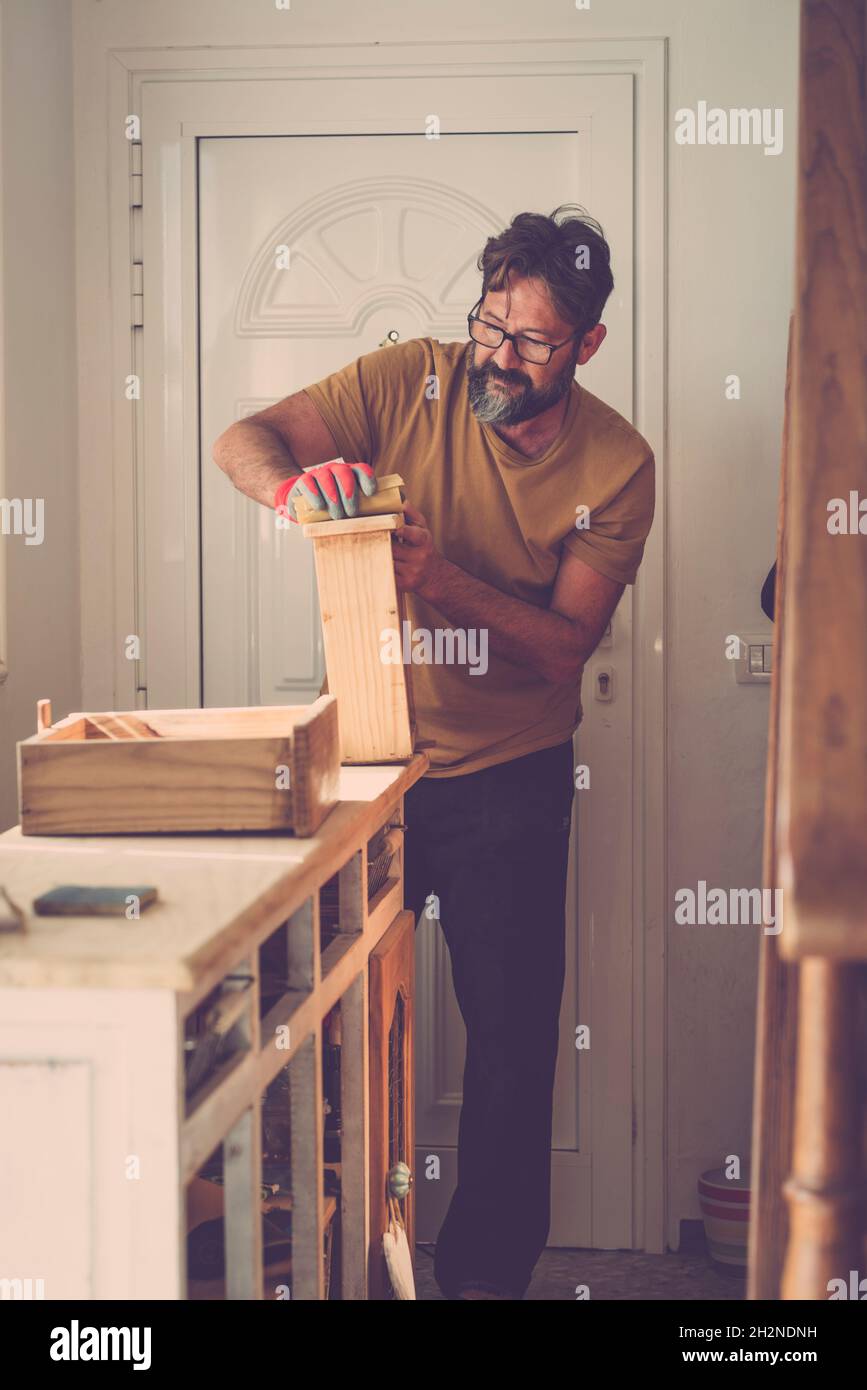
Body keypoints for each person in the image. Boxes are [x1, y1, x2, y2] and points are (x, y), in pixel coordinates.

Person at [213, 205, 656, 1300]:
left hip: (513, 778)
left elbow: (565, 648)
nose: (497, 358)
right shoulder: (411, 376)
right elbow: (243, 439)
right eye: (489, 325)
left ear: (586, 346)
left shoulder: (620, 462)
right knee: (319, 1023)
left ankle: (482, 1284)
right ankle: (323, 1263)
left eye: (533, 341)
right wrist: (292, 489)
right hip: (367, 771)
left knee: (509, 1049)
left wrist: (444, 582)